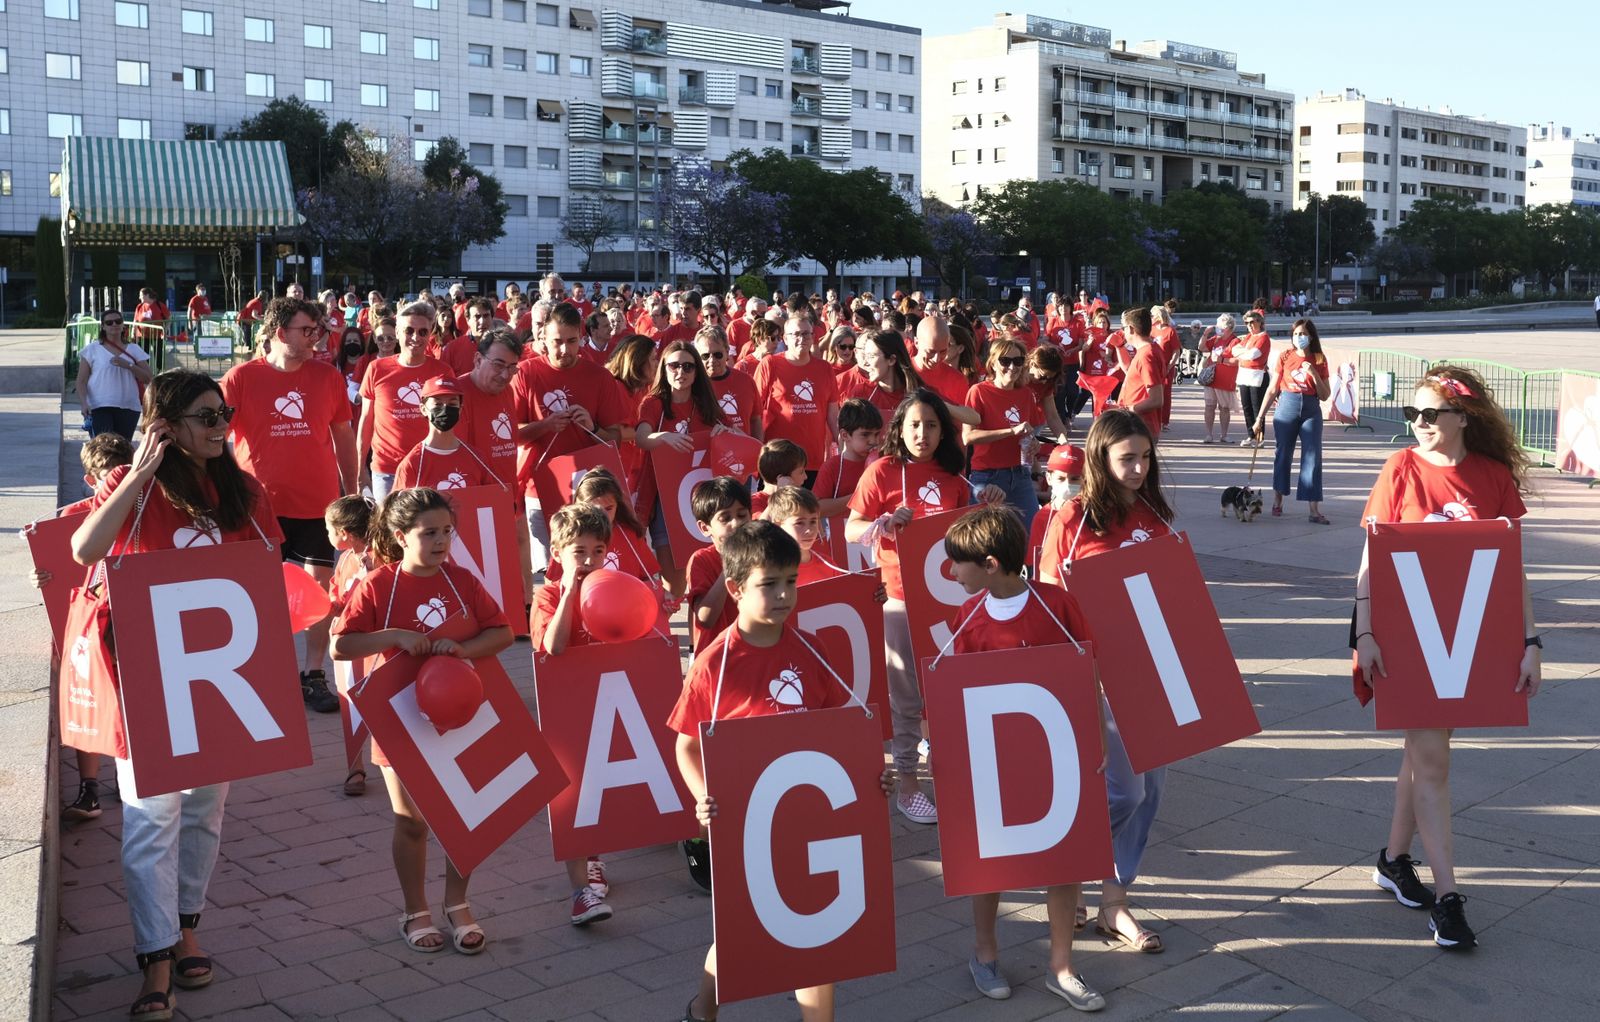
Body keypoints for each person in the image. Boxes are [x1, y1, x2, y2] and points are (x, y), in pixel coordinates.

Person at [71, 369, 284, 1022]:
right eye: (205, 417)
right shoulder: (130, 483)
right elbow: (85, 548)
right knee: (150, 819)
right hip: (146, 674)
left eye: (224, 414)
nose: (221, 427)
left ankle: (186, 924)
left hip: (220, 677)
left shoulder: (243, 490)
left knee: (204, 811)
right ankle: (155, 955)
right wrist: (139, 471)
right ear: (165, 425)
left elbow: (267, 576)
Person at [668, 521, 892, 1022]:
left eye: (791, 581)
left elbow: (839, 733)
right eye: (769, 584)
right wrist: (703, 798)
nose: (785, 594)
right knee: (741, 932)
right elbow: (686, 746)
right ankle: (702, 1011)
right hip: (746, 822)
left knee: (816, 933)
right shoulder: (713, 664)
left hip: (810, 819)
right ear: (735, 588)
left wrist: (872, 776)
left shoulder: (812, 649)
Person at [1356, 365, 1539, 950]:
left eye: (1431, 413)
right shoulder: (1400, 468)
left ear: (1464, 416)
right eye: (1412, 413)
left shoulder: (1491, 477)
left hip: (1467, 637)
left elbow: (1511, 569)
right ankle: (1449, 898)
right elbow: (1371, 557)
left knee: (1423, 752)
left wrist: (1530, 643)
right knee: (1433, 760)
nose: (1419, 422)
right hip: (1406, 634)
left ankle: (1393, 860)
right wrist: (1364, 632)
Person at [331, 488, 512, 955]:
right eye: (429, 533)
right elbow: (341, 645)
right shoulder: (379, 585)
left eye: (447, 531)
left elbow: (503, 632)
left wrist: (463, 649)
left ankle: (458, 904)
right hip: (400, 717)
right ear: (400, 536)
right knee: (411, 821)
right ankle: (415, 910)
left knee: (463, 814)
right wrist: (393, 636)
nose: (441, 541)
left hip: (459, 716)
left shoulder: (462, 581)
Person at [941, 506, 1107, 1011]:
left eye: (959, 562)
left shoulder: (1057, 605)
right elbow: (951, 693)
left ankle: (1062, 965)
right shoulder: (966, 618)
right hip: (993, 759)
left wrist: (1096, 740)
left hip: (1054, 754)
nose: (951, 571)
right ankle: (985, 952)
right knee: (990, 860)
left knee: (1065, 856)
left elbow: (1086, 672)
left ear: (990, 564)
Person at [1038, 409, 1173, 956]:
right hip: (1095, 674)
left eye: (1145, 458)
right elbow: (1048, 599)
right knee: (1125, 790)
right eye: (1127, 458)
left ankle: (1114, 903)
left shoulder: (1152, 512)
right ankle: (1065, 867)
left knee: (1150, 794)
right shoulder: (1072, 518)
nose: (1139, 468)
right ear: (1100, 458)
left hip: (1152, 669)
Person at [846, 390, 1006, 824]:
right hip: (899, 598)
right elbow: (850, 528)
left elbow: (966, 537)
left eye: (932, 425)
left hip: (949, 601)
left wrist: (986, 505)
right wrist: (883, 523)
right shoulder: (882, 471)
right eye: (914, 425)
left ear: (943, 431)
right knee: (905, 696)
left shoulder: (954, 476)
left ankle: (951, 775)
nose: (923, 433)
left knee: (948, 690)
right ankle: (909, 785)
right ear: (900, 428)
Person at [222, 297, 360, 715]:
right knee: (261, 595)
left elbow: (343, 437)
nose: (316, 338)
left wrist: (352, 492)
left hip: (319, 506)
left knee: (319, 593)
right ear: (280, 333)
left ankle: (313, 674)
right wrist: (229, 489)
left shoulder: (327, 377)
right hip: (260, 509)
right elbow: (217, 440)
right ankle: (265, 674)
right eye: (307, 330)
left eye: (318, 330)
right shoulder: (240, 378)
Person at [528, 502, 633, 925]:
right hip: (566, 709)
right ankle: (580, 891)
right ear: (557, 553)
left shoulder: (613, 586)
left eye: (597, 551)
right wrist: (571, 593)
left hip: (608, 701)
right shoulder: (547, 594)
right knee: (573, 797)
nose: (589, 561)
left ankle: (594, 858)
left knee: (601, 791)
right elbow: (553, 647)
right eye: (579, 552)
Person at [28, 433, 134, 823]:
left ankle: (130, 775)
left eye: (124, 474)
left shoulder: (146, 506)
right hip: (91, 615)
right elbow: (61, 563)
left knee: (132, 696)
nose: (117, 483)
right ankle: (90, 789)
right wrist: (42, 577)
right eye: (108, 477)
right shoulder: (72, 515)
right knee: (87, 693)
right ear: (92, 481)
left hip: (131, 613)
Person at [514, 304, 629, 573]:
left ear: (581, 338)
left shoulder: (600, 377)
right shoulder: (525, 373)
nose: (564, 349)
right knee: (550, 571)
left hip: (589, 490)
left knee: (589, 569)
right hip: (540, 487)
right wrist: (545, 425)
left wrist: (592, 427)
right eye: (557, 342)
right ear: (542, 337)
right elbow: (512, 434)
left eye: (571, 341)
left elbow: (615, 438)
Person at [635, 340, 729, 593]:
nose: (681, 372)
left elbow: (737, 438)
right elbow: (641, 438)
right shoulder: (654, 403)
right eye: (674, 365)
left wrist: (725, 433)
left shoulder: (706, 404)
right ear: (663, 368)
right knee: (674, 584)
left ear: (697, 371)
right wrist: (663, 437)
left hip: (704, 501)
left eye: (688, 366)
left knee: (706, 580)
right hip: (664, 502)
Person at [358, 302, 451, 503]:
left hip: (430, 468)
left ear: (430, 334)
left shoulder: (442, 372)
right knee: (388, 524)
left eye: (422, 332)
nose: (415, 337)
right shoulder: (376, 369)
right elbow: (366, 421)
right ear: (398, 333)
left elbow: (452, 425)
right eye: (409, 330)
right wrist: (360, 469)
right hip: (387, 470)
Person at [323, 494, 376, 796]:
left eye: (328, 529)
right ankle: (355, 766)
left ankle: (396, 761)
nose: (327, 535)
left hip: (375, 643)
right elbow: (337, 595)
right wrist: (328, 605)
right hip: (346, 644)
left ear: (343, 533)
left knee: (382, 702)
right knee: (349, 704)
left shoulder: (380, 557)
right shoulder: (345, 559)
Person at [1255, 318, 1332, 523]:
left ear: (1311, 337)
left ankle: (1313, 509)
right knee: (1283, 455)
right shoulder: (1285, 356)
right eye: (1296, 334)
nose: (1299, 337)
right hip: (1287, 406)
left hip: (1310, 409)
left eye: (1303, 334)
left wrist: (1313, 373)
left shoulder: (1319, 358)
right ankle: (1278, 499)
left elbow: (1325, 395)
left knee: (1312, 457)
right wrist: (1260, 417)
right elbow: (1273, 388)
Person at [964, 337, 1045, 527]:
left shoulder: (1025, 394)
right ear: (993, 363)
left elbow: (1028, 433)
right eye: (1005, 361)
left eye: (1018, 361)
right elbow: (968, 437)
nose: (1012, 367)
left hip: (1020, 474)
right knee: (985, 535)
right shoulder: (979, 392)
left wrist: (1034, 444)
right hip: (988, 476)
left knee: (1032, 532)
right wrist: (1010, 431)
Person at [751, 312, 840, 485]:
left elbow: (833, 414)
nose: (802, 339)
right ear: (785, 338)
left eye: (806, 334)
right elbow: (755, 413)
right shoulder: (770, 364)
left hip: (812, 460)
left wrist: (842, 447)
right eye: (796, 334)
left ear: (813, 337)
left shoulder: (824, 368)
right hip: (777, 460)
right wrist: (758, 450)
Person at [685, 476, 753, 658]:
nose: (736, 523)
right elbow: (705, 618)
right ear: (705, 528)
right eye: (725, 518)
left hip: (753, 654)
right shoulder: (701, 560)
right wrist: (731, 565)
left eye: (742, 515)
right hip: (718, 659)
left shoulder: (760, 554)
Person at [393, 377, 500, 491]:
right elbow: (400, 502)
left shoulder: (478, 459)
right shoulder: (413, 464)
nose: (445, 409)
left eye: (452, 404)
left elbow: (494, 497)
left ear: (460, 409)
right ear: (423, 409)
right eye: (437, 404)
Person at [77, 308, 153, 439]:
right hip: (99, 405)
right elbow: (81, 381)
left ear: (123, 325)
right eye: (109, 322)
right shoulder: (92, 349)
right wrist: (84, 403)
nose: (114, 325)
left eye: (118, 321)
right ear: (103, 327)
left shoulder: (134, 349)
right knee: (103, 447)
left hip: (128, 406)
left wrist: (129, 365)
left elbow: (148, 378)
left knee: (122, 447)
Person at [813, 398, 882, 520]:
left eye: (876, 434)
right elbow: (817, 508)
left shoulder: (882, 463)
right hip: (841, 530)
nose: (873, 441)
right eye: (865, 434)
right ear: (845, 435)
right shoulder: (832, 467)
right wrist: (860, 496)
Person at [768, 485, 845, 585]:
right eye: (799, 523)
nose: (809, 530)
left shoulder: (828, 565)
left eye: (813, 521)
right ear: (778, 526)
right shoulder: (770, 570)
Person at [695, 326, 762, 440]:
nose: (712, 360)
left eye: (718, 355)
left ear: (727, 352)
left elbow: (755, 420)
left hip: (742, 448)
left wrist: (758, 447)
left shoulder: (746, 381)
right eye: (705, 356)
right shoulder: (693, 385)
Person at [1109, 307, 1165, 442]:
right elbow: (1130, 371)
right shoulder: (1146, 350)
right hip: (1137, 427)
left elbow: (1156, 399)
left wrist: (1127, 409)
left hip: (1140, 428)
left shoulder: (1147, 355)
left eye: (1123, 328)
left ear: (1131, 329)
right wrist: (1119, 346)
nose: (1122, 332)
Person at [1198, 314, 1240, 444]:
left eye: (1219, 325)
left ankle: (1224, 435)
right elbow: (1201, 348)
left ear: (1228, 327)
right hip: (1211, 378)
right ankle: (1209, 435)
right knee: (1209, 406)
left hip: (1225, 379)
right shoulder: (1216, 339)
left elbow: (1237, 360)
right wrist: (1205, 334)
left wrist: (1221, 360)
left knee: (1224, 408)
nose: (1217, 327)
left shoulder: (1235, 341)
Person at [752, 439, 806, 519]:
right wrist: (780, 494)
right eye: (801, 472)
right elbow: (763, 523)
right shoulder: (756, 501)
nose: (805, 477)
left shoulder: (801, 500)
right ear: (783, 478)